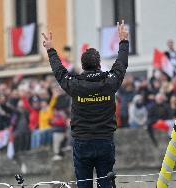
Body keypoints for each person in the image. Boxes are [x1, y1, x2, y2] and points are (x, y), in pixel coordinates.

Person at [42, 20, 129, 188]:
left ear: (82, 66)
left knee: (83, 185)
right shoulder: (109, 83)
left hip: (82, 142)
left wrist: (50, 49)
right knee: (106, 184)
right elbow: (121, 65)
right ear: (98, 64)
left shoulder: (75, 84)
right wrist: (123, 41)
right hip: (104, 140)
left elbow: (59, 72)